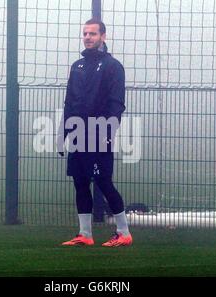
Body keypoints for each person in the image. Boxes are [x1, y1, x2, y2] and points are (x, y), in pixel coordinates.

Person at [57, 18, 132, 247]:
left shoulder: (113, 66)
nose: (88, 37)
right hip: (78, 134)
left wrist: (108, 130)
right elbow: (69, 102)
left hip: (99, 134)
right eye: (85, 34)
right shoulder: (77, 66)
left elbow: (116, 103)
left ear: (103, 36)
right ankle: (85, 234)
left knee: (103, 181)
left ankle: (123, 233)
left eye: (93, 34)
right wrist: (63, 133)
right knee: (80, 182)